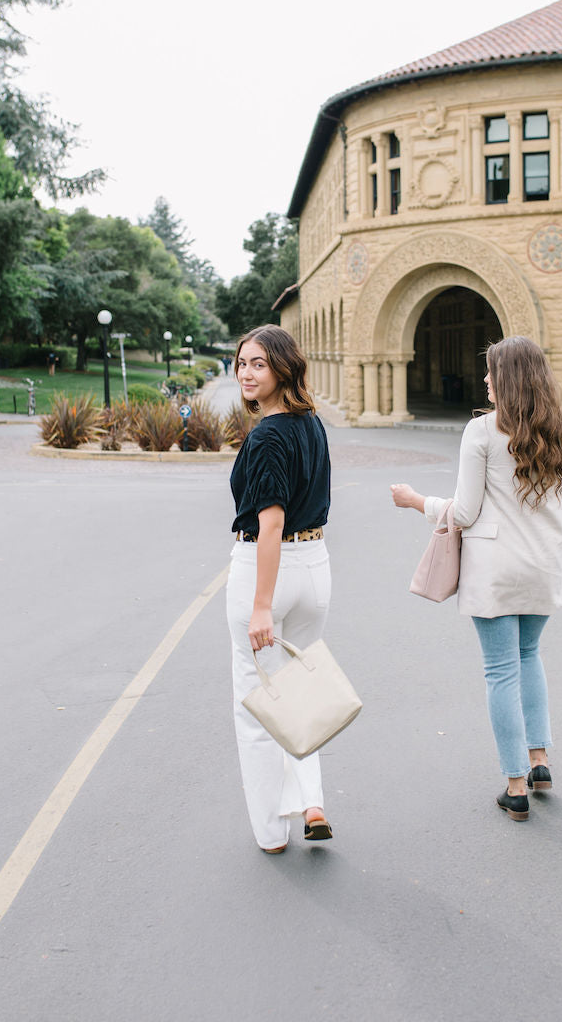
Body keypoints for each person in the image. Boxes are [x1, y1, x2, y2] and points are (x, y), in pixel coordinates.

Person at [391, 335, 562, 822]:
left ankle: (515, 785)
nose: (485, 380)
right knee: (529, 654)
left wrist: (417, 501)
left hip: (496, 569)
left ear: (510, 378)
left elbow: (467, 512)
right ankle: (539, 762)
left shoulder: (481, 432)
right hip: (544, 566)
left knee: (501, 670)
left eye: (492, 371)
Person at [227, 324, 333, 853]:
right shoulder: (312, 424)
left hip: (265, 567)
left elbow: (270, 524)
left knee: (255, 702)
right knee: (301, 690)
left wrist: (261, 606)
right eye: (242, 362)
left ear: (283, 369)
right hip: (315, 565)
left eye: (259, 364)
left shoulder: (268, 434)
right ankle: (312, 800)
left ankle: (272, 832)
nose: (246, 372)